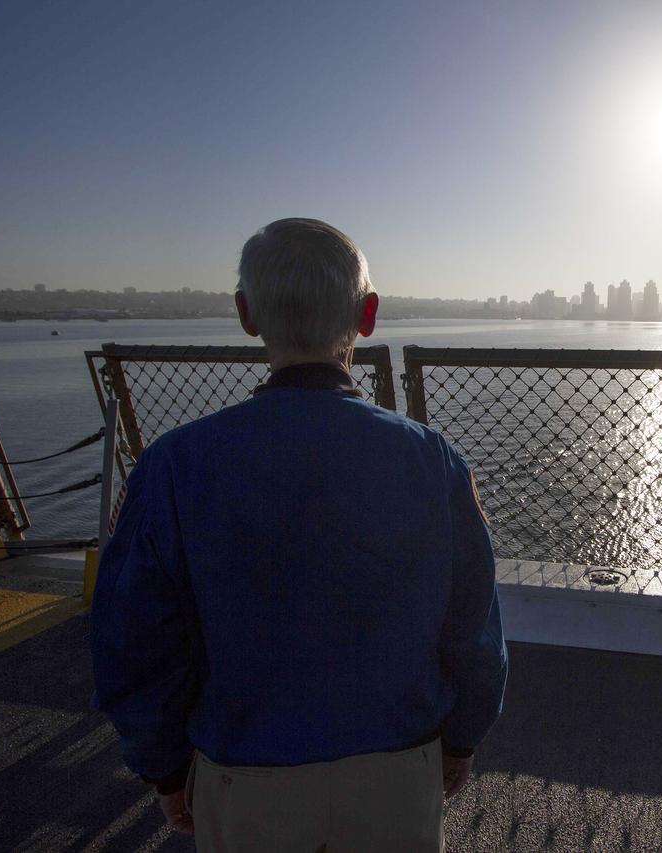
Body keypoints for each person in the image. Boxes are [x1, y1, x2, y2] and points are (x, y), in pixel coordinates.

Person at [91, 218, 508, 852]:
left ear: (245, 314)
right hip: (398, 768)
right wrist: (461, 739)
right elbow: (473, 625)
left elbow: (137, 637)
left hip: (243, 773)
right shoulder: (432, 460)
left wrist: (165, 767)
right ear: (367, 316)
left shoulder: (174, 465)